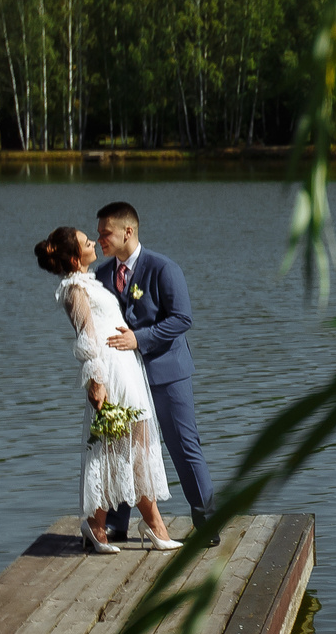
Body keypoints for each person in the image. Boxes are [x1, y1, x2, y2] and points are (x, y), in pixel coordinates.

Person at [33, 224, 181, 554]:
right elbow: (86, 339)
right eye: (87, 242)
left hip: (127, 369)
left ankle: (113, 524)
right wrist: (97, 381)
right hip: (109, 373)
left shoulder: (87, 281)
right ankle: (138, 525)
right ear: (75, 258)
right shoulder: (74, 289)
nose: (93, 244)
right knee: (114, 448)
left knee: (132, 445)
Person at [92, 200, 217, 546]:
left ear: (128, 231)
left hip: (167, 372)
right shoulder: (101, 275)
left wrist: (139, 338)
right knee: (121, 444)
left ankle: (206, 523)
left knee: (183, 445)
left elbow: (182, 319)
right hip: (124, 377)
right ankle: (119, 522)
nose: (99, 238)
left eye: (106, 233)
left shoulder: (163, 268)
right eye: (99, 233)